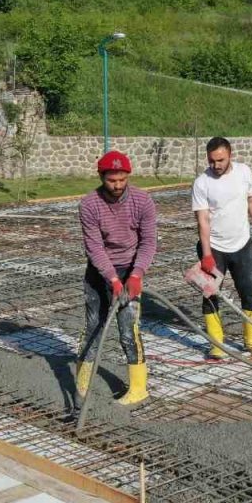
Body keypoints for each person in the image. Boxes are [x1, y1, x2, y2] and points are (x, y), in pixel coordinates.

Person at [76, 150, 158, 406]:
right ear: (102, 177)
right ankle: (82, 384)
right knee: (93, 327)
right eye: (112, 180)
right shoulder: (89, 205)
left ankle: (138, 388)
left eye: (122, 179)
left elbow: (148, 241)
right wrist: (112, 280)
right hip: (99, 271)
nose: (118, 185)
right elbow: (95, 248)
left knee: (128, 329)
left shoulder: (143, 201)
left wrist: (136, 275)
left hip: (130, 267)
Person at [192, 137, 252, 356]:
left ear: (230, 155)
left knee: (248, 291)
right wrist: (206, 255)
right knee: (210, 294)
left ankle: (250, 340)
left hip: (242, 244)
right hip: (214, 247)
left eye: (220, 160)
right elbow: (203, 220)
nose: (216, 165)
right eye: (211, 161)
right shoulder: (202, 183)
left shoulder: (244, 172)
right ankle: (217, 344)